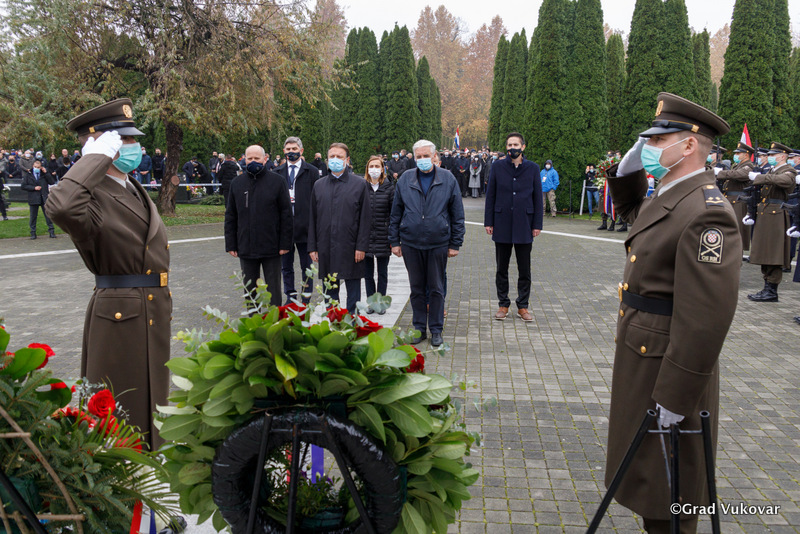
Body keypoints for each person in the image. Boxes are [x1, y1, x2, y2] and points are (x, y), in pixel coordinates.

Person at [604, 92, 741, 534]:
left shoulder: (707, 214)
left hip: (668, 367)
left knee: (671, 487)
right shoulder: (672, 193)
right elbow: (635, 213)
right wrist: (627, 169)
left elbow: (705, 321)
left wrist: (676, 397)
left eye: (658, 140)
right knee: (650, 481)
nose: (649, 146)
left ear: (689, 146)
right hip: (645, 354)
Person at [45, 98, 172, 451]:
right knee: (120, 406)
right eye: (123, 140)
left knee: (150, 399)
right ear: (100, 145)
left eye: (133, 139)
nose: (133, 147)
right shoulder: (92, 195)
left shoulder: (131, 187)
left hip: (150, 307)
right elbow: (61, 206)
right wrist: (91, 161)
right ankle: (121, 471)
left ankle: (149, 462)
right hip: (120, 312)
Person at [388, 139, 465, 348]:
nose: (422, 159)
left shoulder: (447, 179)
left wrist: (455, 243)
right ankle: (419, 328)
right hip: (411, 243)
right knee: (416, 288)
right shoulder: (406, 179)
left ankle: (436, 330)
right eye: (419, 156)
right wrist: (394, 241)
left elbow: (457, 214)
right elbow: (396, 213)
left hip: (438, 242)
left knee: (437, 288)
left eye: (426, 156)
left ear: (434, 156)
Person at [225, 145, 293, 310]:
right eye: (250, 159)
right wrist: (231, 244)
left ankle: (275, 320)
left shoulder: (278, 182)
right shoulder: (237, 183)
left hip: (272, 246)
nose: (253, 161)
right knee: (250, 291)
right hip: (246, 246)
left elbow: (286, 215)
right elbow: (231, 215)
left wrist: (285, 243)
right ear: (244, 159)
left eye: (257, 158)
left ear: (265, 159)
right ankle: (253, 321)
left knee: (274, 289)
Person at [484, 132, 543, 322]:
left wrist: (537, 224)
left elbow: (537, 197)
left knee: (524, 269)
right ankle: (503, 304)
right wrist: (488, 221)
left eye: (515, 145)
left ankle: (523, 306)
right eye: (509, 145)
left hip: (524, 223)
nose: (512, 148)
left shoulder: (533, 168)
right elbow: (491, 195)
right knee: (501, 268)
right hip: (501, 222)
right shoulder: (498, 166)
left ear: (523, 147)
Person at [308, 143, 371, 313]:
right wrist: (313, 246)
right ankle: (333, 320)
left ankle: (352, 320)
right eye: (332, 157)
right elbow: (313, 218)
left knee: (353, 288)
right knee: (330, 290)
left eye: (339, 157)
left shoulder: (359, 184)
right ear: (327, 160)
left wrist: (361, 246)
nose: (335, 160)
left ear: (347, 160)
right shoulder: (319, 185)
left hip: (351, 246)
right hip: (326, 245)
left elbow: (365, 218)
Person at [744, 142, 797, 302]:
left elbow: (784, 181)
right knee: (765, 251)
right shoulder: (772, 171)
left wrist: (759, 177)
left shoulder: (788, 171)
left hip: (776, 215)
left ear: (782, 156)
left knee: (774, 252)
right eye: (770, 155)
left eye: (773, 155)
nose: (770, 157)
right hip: (765, 213)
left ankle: (772, 290)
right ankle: (766, 286)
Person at [274, 136, 319, 304]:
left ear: (301, 150)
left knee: (307, 266)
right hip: (285, 228)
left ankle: (306, 298)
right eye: (288, 149)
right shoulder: (277, 172)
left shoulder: (311, 171)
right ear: (284, 151)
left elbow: (316, 199)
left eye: (294, 149)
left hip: (305, 227)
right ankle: (290, 297)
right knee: (286, 266)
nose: (291, 152)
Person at [363, 155, 395, 313]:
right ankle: (371, 303)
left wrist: (393, 237)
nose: (374, 169)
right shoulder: (362, 187)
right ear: (367, 169)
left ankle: (381, 303)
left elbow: (394, 214)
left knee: (382, 273)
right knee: (367, 274)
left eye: (377, 166)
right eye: (371, 166)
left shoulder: (389, 188)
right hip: (366, 237)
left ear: (382, 169)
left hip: (383, 236)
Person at [715, 142, 755, 253]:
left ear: (746, 155)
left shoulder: (749, 166)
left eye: (738, 153)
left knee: (737, 229)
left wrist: (721, 172)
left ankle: (737, 254)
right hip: (731, 199)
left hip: (738, 201)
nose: (735, 155)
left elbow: (738, 175)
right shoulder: (737, 165)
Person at [21, 159, 57, 239]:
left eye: (38, 167)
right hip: (33, 198)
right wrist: (34, 188)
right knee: (33, 217)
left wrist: (46, 173)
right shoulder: (28, 174)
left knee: (48, 216)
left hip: (43, 197)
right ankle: (33, 232)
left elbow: (52, 182)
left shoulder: (43, 174)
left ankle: (51, 231)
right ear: (33, 166)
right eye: (35, 167)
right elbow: (23, 186)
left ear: (41, 167)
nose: (36, 168)